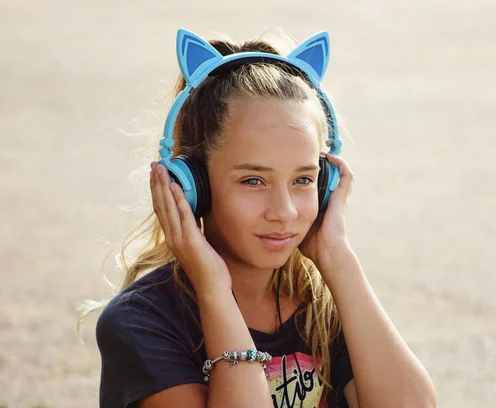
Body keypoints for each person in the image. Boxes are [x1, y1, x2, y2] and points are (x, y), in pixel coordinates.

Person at [86, 28, 436, 408]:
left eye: (303, 179)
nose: (284, 211)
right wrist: (215, 292)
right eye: (253, 180)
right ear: (190, 185)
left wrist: (338, 259)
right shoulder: (142, 322)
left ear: (326, 185)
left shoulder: (326, 305)